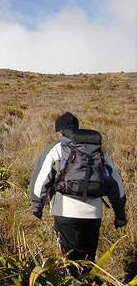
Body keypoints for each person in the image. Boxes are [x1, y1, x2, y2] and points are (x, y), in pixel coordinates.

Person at [30, 112, 127, 262]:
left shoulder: (57, 148)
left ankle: (76, 285)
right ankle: (89, 284)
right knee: (89, 259)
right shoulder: (97, 151)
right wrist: (120, 213)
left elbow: (41, 179)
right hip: (94, 214)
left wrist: (37, 207)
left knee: (71, 262)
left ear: (60, 131)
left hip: (66, 212)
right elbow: (115, 182)